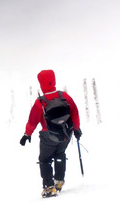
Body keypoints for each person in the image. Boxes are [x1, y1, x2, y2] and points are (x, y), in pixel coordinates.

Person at [20, 70, 82, 198]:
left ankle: (49, 187)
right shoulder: (64, 96)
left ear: (41, 83)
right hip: (66, 133)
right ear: (53, 80)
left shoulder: (40, 102)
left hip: (48, 136)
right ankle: (59, 181)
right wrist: (76, 129)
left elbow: (33, 120)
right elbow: (74, 112)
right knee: (60, 154)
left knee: (45, 159)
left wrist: (27, 134)